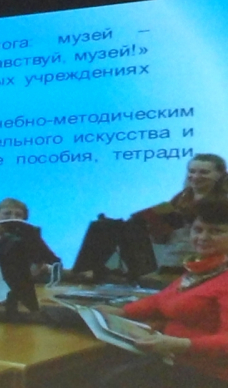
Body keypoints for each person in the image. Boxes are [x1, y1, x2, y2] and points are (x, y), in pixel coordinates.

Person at [95, 198, 228, 387]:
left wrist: (179, 344)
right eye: (198, 230)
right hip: (175, 360)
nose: (203, 237)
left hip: (209, 375)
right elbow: (161, 300)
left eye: (216, 231)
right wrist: (121, 312)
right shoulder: (203, 268)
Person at [133, 153, 228, 271]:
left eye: (204, 172)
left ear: (221, 174)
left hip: (210, 261)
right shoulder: (181, 197)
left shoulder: (224, 201)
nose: (196, 176)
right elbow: (161, 237)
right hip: (173, 259)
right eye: (191, 171)